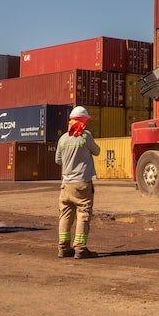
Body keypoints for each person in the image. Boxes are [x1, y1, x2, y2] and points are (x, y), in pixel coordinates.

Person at [55, 106, 101, 259]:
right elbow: (97, 151)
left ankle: (63, 248)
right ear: (84, 121)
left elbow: (58, 160)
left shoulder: (62, 138)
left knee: (65, 215)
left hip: (66, 185)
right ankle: (80, 249)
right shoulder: (85, 136)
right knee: (83, 215)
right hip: (81, 184)